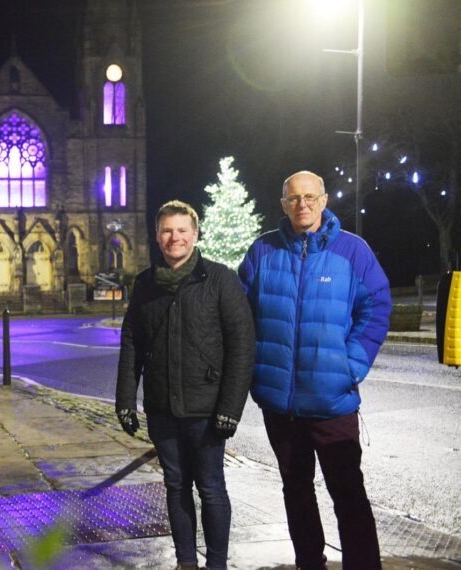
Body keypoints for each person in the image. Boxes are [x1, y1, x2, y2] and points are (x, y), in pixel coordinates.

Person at [238, 171, 391, 570]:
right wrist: (255, 371)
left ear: (323, 201)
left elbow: (375, 308)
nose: (302, 204)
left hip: (332, 403)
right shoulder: (262, 252)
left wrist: (350, 366)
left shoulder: (352, 251)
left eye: (309, 197)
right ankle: (310, 563)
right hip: (280, 405)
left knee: (349, 494)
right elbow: (239, 316)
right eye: (293, 198)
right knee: (296, 491)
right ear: (283, 204)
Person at [116, 200, 255, 570]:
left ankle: (217, 564)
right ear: (158, 236)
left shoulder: (220, 279)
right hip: (163, 409)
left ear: (195, 234)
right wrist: (125, 399)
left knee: (210, 488)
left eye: (181, 230)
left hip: (207, 410)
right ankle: (186, 562)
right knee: (175, 487)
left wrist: (230, 408)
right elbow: (132, 341)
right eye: (166, 231)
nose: (173, 238)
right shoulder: (146, 284)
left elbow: (242, 344)